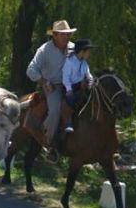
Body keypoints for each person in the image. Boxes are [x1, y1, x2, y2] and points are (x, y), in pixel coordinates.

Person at [26, 19, 77, 147]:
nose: (66, 37)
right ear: (54, 35)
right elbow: (31, 70)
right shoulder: (44, 50)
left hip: (72, 84)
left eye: (68, 34)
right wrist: (45, 82)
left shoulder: (73, 48)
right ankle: (47, 140)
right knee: (55, 110)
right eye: (63, 34)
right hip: (53, 85)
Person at [61, 39, 95, 134]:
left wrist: (91, 82)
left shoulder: (84, 63)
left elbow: (88, 75)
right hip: (70, 88)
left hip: (81, 87)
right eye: (88, 51)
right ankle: (68, 123)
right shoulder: (69, 62)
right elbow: (66, 78)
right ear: (82, 51)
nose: (89, 54)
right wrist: (69, 89)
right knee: (71, 100)